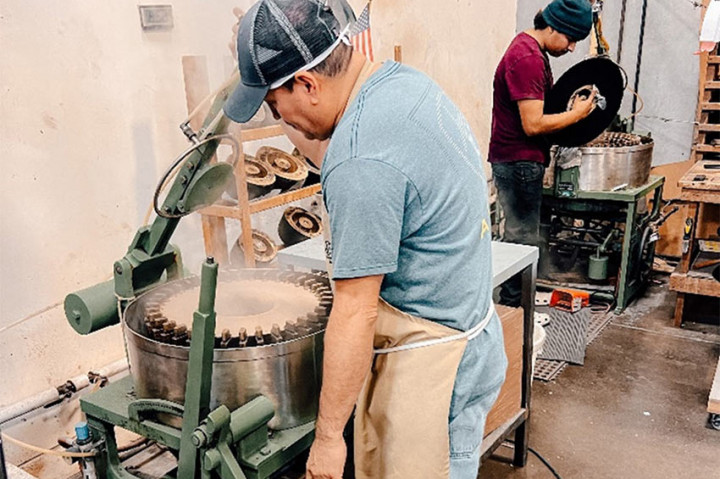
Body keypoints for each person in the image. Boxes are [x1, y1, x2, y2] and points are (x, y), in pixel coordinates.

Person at [224, 1, 506, 478]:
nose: (281, 120)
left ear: (308, 84)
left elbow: (356, 310)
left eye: (275, 106)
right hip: (472, 336)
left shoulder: (361, 162)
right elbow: (332, 137)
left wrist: (329, 438)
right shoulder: (396, 84)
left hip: (433, 369)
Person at [489, 0, 596, 306]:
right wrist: (577, 114)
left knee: (522, 235)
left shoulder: (531, 50)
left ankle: (516, 304)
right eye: (570, 39)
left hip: (518, 159)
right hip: (518, 161)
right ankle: (513, 309)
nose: (573, 48)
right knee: (522, 238)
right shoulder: (527, 58)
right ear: (552, 27)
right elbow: (533, 124)